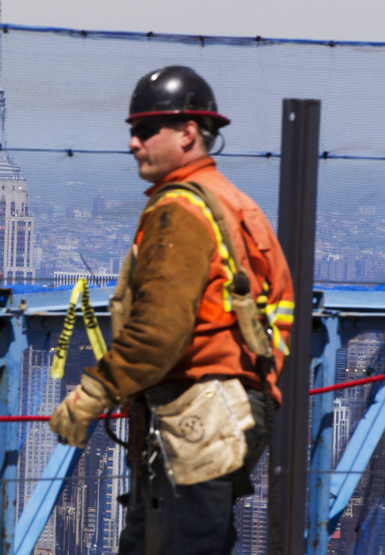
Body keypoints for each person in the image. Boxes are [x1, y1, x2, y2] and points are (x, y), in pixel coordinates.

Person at [49, 65, 294, 553]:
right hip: (233, 411)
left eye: (146, 130)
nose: (133, 143)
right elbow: (279, 307)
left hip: (197, 413)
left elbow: (157, 331)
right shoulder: (233, 204)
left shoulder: (180, 210)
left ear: (187, 133)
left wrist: (92, 394)